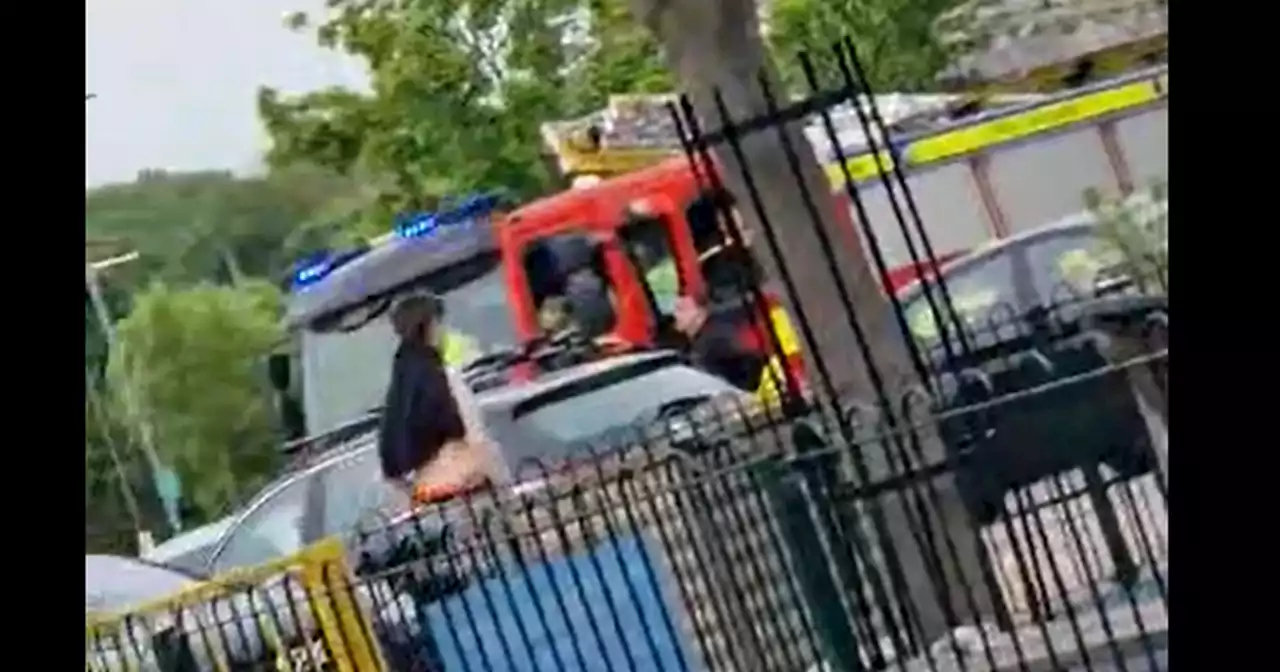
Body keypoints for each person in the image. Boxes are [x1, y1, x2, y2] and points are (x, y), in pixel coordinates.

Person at [378, 293, 505, 503]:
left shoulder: (399, 387)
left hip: (429, 496)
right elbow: (476, 436)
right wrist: (502, 482)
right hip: (471, 491)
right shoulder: (443, 377)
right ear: (429, 327)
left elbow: (390, 462)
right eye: (438, 324)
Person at [672, 294, 767, 392]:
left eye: (681, 309)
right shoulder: (697, 342)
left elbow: (750, 355)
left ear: (700, 312)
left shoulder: (715, 337)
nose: (675, 314)